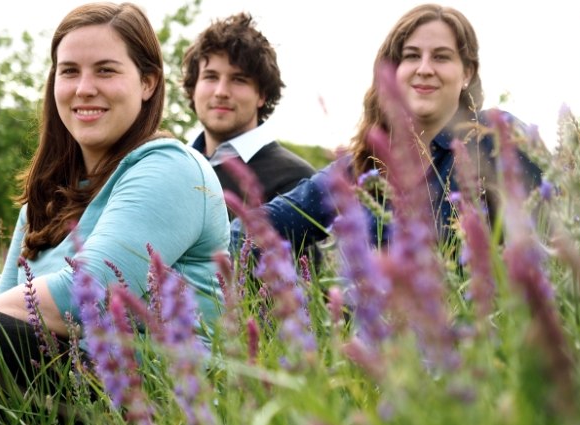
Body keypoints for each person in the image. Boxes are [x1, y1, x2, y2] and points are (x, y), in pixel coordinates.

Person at [0, 2, 229, 425]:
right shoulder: (45, 199)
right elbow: (5, 306)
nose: (84, 88)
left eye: (105, 70)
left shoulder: (172, 169)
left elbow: (89, 294)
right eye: (69, 71)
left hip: (155, 404)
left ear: (148, 82)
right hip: (63, 388)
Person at [231, 3, 544, 250]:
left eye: (441, 57)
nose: (424, 69)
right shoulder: (362, 167)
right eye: (411, 56)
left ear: (467, 73)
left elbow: (554, 237)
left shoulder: (496, 135)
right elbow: (259, 228)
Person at [181, 12, 316, 214]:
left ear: (262, 94)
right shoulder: (171, 167)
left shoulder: (297, 181)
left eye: (238, 79)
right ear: (193, 88)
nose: (221, 92)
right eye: (211, 77)